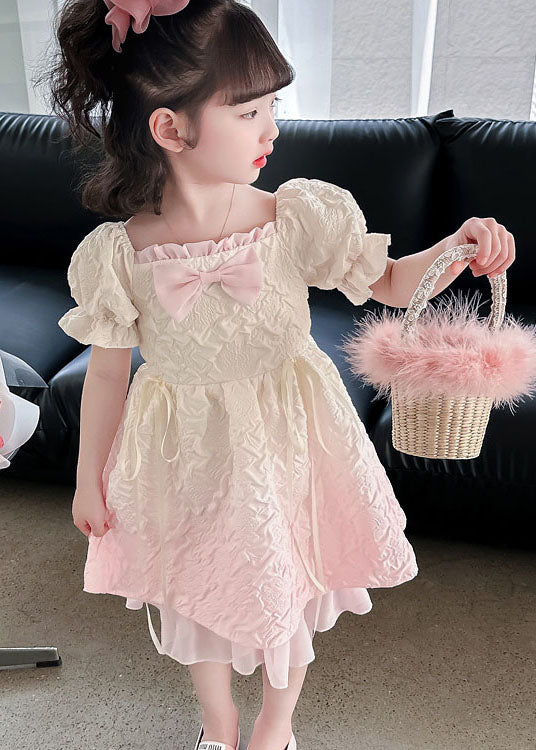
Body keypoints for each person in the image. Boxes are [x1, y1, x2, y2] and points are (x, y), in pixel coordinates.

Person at [40, 1, 514, 749]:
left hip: (290, 439)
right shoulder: (117, 255)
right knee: (193, 588)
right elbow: (105, 378)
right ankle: (218, 723)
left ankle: (274, 725)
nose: (272, 130)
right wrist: (87, 479)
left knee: (289, 583)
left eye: (273, 108)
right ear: (170, 128)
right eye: (248, 112)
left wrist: (456, 246)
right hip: (185, 455)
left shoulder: (295, 217)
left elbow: (392, 281)